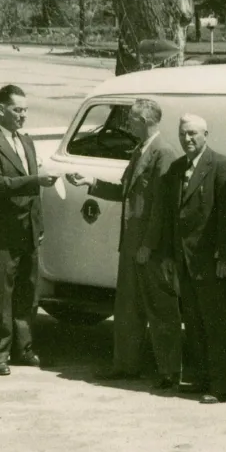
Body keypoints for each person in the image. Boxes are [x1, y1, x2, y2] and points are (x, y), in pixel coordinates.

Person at [66, 98, 182, 389]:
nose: (128, 123)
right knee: (128, 307)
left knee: (159, 309)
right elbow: (126, 191)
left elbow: (160, 206)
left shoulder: (163, 153)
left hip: (147, 246)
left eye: (131, 119)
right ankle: (125, 365)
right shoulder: (140, 150)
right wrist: (91, 182)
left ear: (145, 121)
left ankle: (169, 372)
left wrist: (149, 244)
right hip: (131, 244)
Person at [151, 114, 226, 404]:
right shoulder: (177, 168)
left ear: (206, 135)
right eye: (183, 134)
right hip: (184, 262)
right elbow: (169, 216)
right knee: (194, 323)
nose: (187, 139)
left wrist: (225, 256)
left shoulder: (222, 166)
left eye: (193, 134)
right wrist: (166, 255)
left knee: (215, 325)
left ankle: (221, 385)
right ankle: (201, 378)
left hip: (211, 262)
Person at [0, 85, 58, 376]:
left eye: (25, 110)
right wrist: (35, 179)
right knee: (0, 297)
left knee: (27, 295)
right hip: (1, 235)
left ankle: (24, 349)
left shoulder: (27, 141)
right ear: (1, 110)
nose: (23, 115)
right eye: (17, 110)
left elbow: (34, 193)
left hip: (28, 232)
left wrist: (39, 225)